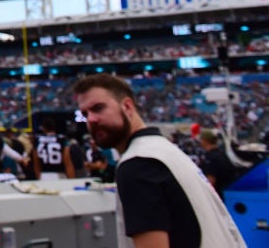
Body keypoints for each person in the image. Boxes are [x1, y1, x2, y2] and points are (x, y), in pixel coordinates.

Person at [73, 74, 244, 247]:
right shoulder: (165, 150)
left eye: (98, 108)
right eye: (85, 114)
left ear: (127, 106)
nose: (91, 120)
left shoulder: (138, 165)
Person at [197, 129, 239, 199]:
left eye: (201, 139)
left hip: (218, 196)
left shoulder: (209, 157)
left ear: (205, 141)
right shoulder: (222, 154)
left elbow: (210, 181)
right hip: (228, 193)